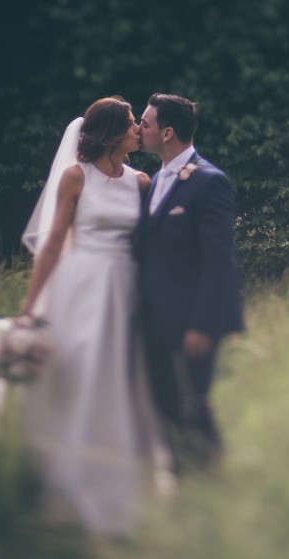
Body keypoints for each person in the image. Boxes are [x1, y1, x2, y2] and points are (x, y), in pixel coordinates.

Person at [17, 96, 173, 535]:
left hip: (125, 289)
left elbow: (151, 246)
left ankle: (119, 482)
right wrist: (29, 309)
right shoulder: (75, 178)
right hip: (81, 287)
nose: (137, 130)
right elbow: (51, 246)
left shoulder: (141, 182)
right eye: (130, 123)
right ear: (110, 133)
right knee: (81, 378)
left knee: (123, 381)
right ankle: (68, 481)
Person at [136, 93, 243, 472]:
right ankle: (179, 481)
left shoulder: (210, 182)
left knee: (193, 403)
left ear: (166, 133)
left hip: (191, 321)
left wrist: (202, 324)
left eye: (144, 123)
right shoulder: (151, 181)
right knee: (163, 406)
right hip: (155, 319)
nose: (138, 129)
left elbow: (218, 260)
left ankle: (212, 477)